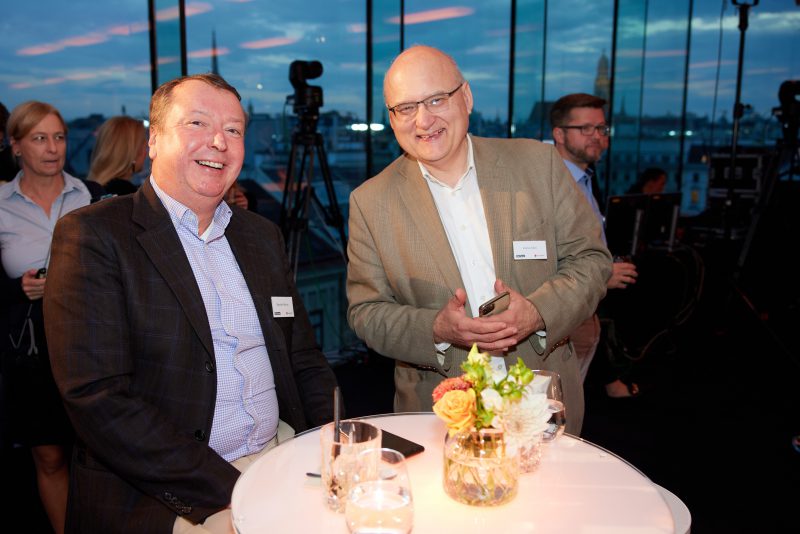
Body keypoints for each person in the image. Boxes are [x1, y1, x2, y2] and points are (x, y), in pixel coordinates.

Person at [43, 73, 338, 534]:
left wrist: (335, 443)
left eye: (233, 130)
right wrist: (238, 489)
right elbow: (98, 399)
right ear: (154, 140)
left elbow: (302, 357)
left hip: (280, 453)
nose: (218, 141)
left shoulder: (261, 236)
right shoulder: (95, 235)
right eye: (197, 123)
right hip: (170, 492)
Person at [346, 46, 611, 436]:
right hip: (439, 417)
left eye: (436, 99)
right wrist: (436, 328)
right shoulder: (370, 202)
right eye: (406, 108)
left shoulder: (537, 164)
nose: (423, 120)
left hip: (543, 403)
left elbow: (591, 260)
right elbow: (366, 313)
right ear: (391, 117)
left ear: (466, 97)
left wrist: (537, 312)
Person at [0, 100, 91, 534]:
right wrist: (18, 289)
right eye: (39, 138)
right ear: (16, 145)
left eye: (59, 137)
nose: (53, 148)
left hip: (91, 344)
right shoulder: (1, 204)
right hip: (32, 352)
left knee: (99, 454)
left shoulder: (91, 196)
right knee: (50, 457)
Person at [550, 93, 639, 398]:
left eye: (601, 128)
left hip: (586, 306)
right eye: (585, 128)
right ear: (559, 134)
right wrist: (601, 274)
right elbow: (544, 254)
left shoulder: (585, 177)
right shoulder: (551, 183)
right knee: (555, 403)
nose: (597, 136)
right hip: (563, 315)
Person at [86, 115, 148, 196]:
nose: (147, 153)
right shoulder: (127, 195)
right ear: (133, 154)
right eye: (145, 147)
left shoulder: (89, 190)